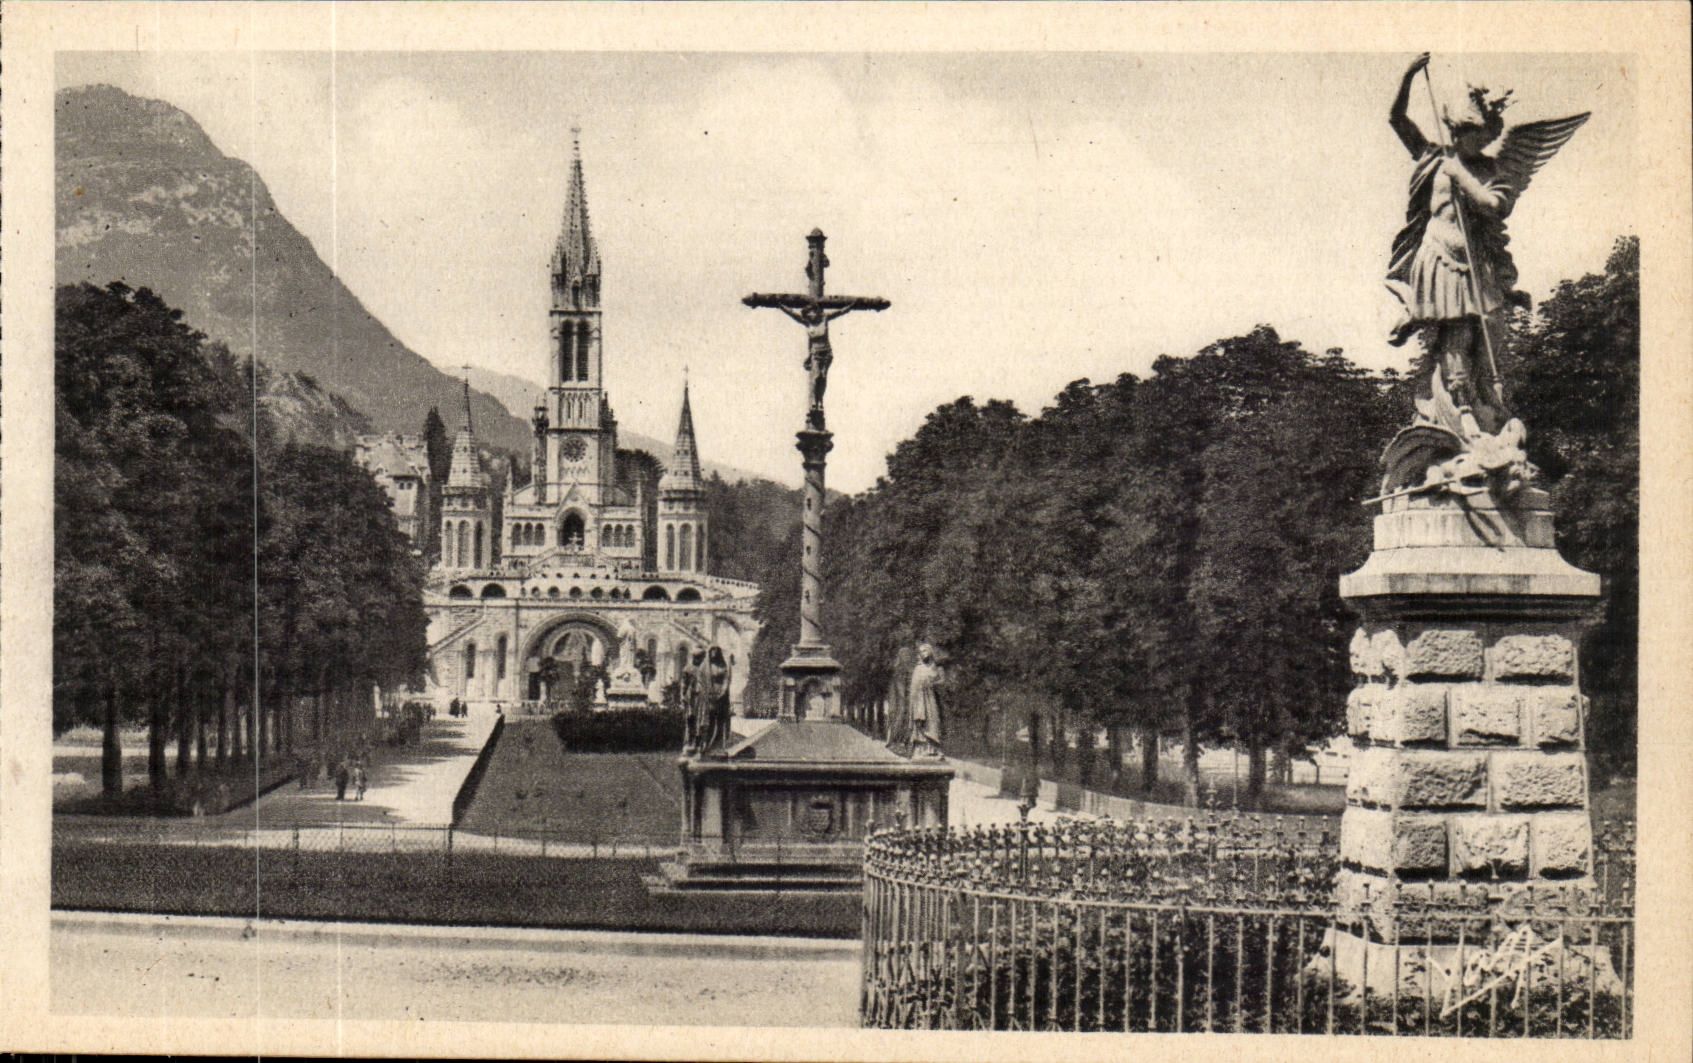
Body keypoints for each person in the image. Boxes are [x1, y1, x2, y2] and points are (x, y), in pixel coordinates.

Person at [1384, 53, 1589, 450]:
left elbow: (1494, 207)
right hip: (1439, 258)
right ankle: (1460, 411)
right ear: (1457, 130)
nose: (1475, 141)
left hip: (1478, 264)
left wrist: (1460, 172)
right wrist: (1408, 76)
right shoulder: (1432, 157)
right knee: (1457, 336)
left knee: (1490, 338)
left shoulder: (1490, 171)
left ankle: (1488, 409)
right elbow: (1398, 120)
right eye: (1468, 134)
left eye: (1482, 136)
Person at [909, 643, 946, 757]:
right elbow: (913, 688)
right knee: (921, 723)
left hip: (932, 699)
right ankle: (920, 749)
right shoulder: (918, 669)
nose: (922, 653)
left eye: (925, 650)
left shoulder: (937, 667)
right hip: (919, 701)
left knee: (933, 722)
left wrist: (933, 684)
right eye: (920, 651)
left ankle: (933, 749)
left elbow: (942, 682)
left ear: (930, 652)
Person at [696, 645, 733, 756]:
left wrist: (723, 691)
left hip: (721, 696)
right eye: (712, 650)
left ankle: (719, 746)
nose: (714, 653)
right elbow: (700, 680)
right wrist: (707, 693)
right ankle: (706, 745)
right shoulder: (704, 666)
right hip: (709, 696)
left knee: (721, 721)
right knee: (709, 722)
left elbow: (726, 679)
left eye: (716, 651)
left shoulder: (722, 665)